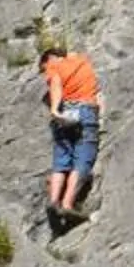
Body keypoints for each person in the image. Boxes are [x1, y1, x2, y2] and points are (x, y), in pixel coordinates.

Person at [41, 45, 101, 231]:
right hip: (84, 110)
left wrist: (54, 109)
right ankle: (67, 205)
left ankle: (54, 202)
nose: (44, 72)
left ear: (50, 58)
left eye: (43, 67)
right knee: (83, 159)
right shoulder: (82, 61)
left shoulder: (54, 65)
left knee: (61, 161)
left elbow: (56, 84)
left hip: (65, 112)